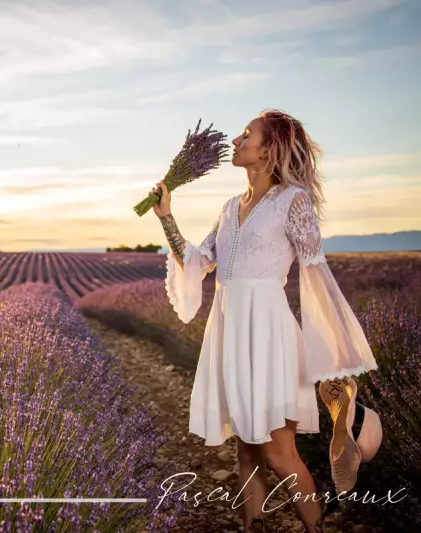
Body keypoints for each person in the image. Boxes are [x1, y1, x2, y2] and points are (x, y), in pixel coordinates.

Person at [149, 109, 379, 533]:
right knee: (248, 453)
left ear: (269, 148)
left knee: (279, 453)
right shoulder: (230, 206)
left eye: (245, 135)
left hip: (269, 337)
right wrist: (166, 215)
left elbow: (315, 273)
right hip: (231, 332)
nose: (235, 141)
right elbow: (198, 262)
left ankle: (316, 529)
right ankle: (250, 525)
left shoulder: (294, 201)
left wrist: (330, 353)